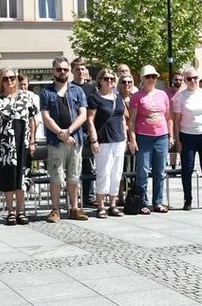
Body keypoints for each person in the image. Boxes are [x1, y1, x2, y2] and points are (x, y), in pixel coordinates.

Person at [39, 56, 89, 222]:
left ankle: (74, 208)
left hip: (75, 140)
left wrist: (69, 131)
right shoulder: (46, 92)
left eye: (65, 69)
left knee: (74, 176)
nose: (62, 72)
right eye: (59, 69)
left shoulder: (77, 91)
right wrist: (61, 133)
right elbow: (46, 117)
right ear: (53, 71)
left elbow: (83, 115)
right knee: (56, 177)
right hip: (55, 141)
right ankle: (55, 209)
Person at [0, 67, 37, 225]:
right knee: (8, 177)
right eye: (5, 78)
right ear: (0, 81)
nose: (9, 81)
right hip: (4, 145)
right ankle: (10, 211)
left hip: (22, 142)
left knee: (21, 177)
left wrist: (32, 141)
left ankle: (21, 211)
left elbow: (32, 120)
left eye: (12, 78)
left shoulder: (25, 98)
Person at [127, 64, 171, 214]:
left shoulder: (163, 95)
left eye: (154, 76)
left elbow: (168, 117)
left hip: (161, 137)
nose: (151, 79)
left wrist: (170, 135)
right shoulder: (137, 96)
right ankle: (142, 202)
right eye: (148, 77)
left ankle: (158, 202)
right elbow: (131, 120)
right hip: (144, 137)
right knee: (143, 171)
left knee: (160, 171)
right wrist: (132, 139)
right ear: (142, 78)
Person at [172, 66, 202, 211]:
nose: (193, 81)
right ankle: (188, 200)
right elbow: (176, 120)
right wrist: (177, 140)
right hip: (187, 135)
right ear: (184, 80)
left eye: (195, 78)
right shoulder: (180, 96)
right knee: (187, 168)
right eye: (189, 79)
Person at [86, 68, 128, 217]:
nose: (109, 81)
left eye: (112, 79)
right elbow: (90, 120)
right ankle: (101, 206)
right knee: (103, 172)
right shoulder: (94, 98)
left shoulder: (118, 97)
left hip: (119, 139)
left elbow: (122, 118)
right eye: (106, 79)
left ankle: (113, 204)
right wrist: (94, 140)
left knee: (116, 173)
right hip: (103, 140)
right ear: (100, 81)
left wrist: (126, 137)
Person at [72, 57, 98, 208]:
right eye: (77, 69)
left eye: (82, 69)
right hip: (76, 131)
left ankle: (89, 197)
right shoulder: (70, 88)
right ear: (72, 71)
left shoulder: (92, 88)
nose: (80, 72)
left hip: (90, 131)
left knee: (89, 166)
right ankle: (74, 198)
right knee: (75, 166)